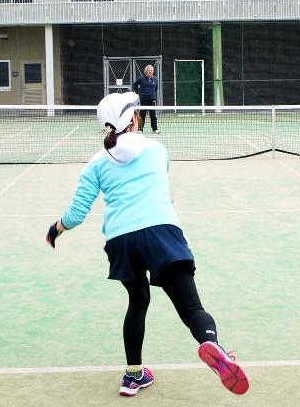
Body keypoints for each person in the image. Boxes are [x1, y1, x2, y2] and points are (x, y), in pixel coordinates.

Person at [45, 92, 249, 397]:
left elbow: (76, 214)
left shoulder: (95, 164)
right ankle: (213, 345)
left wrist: (55, 230)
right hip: (160, 232)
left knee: (138, 301)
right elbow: (161, 190)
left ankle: (133, 375)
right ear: (134, 119)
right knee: (191, 308)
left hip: (121, 241)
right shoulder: (157, 149)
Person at [133, 65, 160, 134]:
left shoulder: (155, 79)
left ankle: (155, 129)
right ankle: (140, 129)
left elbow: (156, 88)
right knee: (142, 114)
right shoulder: (141, 79)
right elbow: (135, 84)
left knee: (153, 115)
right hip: (143, 99)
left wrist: (152, 94)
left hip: (152, 99)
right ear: (146, 71)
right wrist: (138, 92)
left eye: (151, 70)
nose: (150, 71)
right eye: (149, 70)